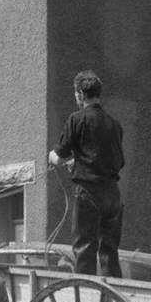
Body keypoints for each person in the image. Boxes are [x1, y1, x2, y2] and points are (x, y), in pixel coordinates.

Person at [48, 70, 125, 277]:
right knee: (109, 251)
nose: (76, 97)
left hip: (89, 195)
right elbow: (118, 162)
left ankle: (86, 298)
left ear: (81, 94)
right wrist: (79, 161)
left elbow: (60, 153)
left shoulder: (77, 119)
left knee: (84, 250)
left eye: (76, 94)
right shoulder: (114, 125)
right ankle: (113, 299)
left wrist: (53, 158)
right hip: (113, 195)